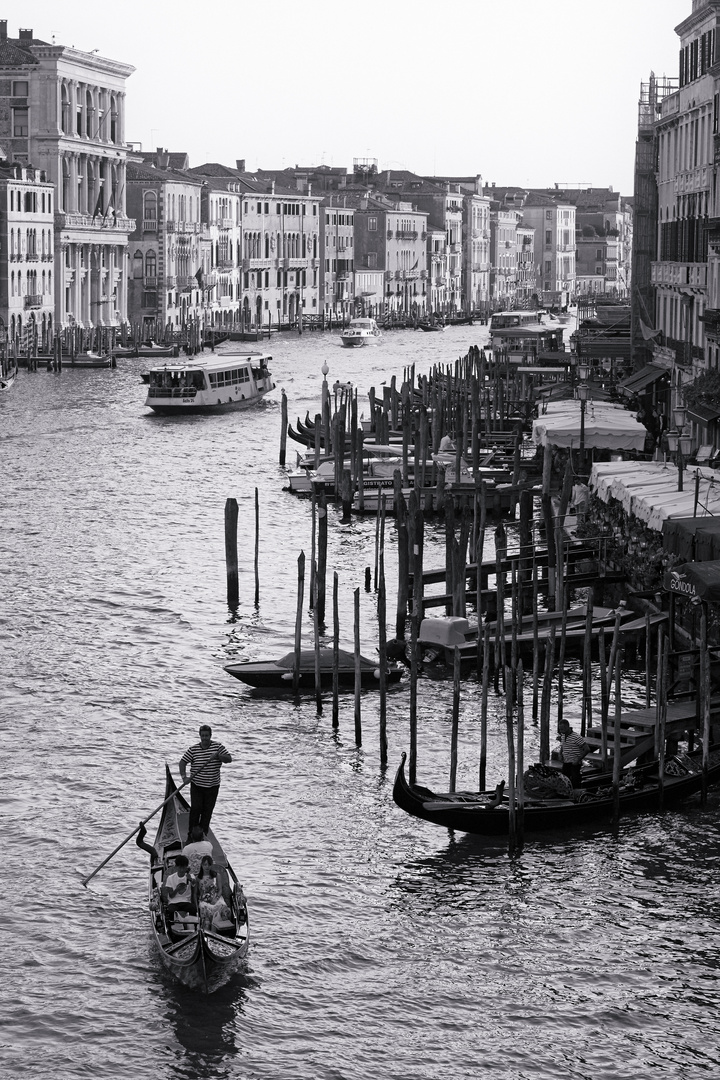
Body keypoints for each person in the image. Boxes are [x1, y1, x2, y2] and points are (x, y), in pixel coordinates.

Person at [179, 724, 232, 840]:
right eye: (202, 736)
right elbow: (182, 762)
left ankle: (202, 835)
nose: (205, 738)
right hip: (197, 785)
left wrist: (219, 756)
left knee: (207, 812)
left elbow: (229, 759)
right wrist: (184, 777)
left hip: (213, 786)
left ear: (210, 736)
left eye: (206, 736)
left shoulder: (218, 747)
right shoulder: (193, 749)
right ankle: (191, 835)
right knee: (196, 809)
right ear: (200, 736)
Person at [196, 855, 229, 929]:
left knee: (223, 906)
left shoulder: (217, 875)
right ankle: (207, 927)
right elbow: (198, 893)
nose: (207, 867)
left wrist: (216, 898)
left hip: (216, 897)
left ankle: (220, 927)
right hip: (204, 899)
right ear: (202, 865)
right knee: (204, 907)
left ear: (211, 865)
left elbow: (220, 889)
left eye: (209, 864)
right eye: (205, 865)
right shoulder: (198, 878)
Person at [557, 719, 590, 788]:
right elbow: (563, 745)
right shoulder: (563, 736)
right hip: (566, 761)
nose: (561, 731)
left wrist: (578, 760)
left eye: (562, 729)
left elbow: (587, 749)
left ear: (567, 727)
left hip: (574, 763)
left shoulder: (576, 737)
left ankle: (576, 793)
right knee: (564, 779)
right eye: (560, 729)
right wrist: (560, 753)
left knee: (575, 780)